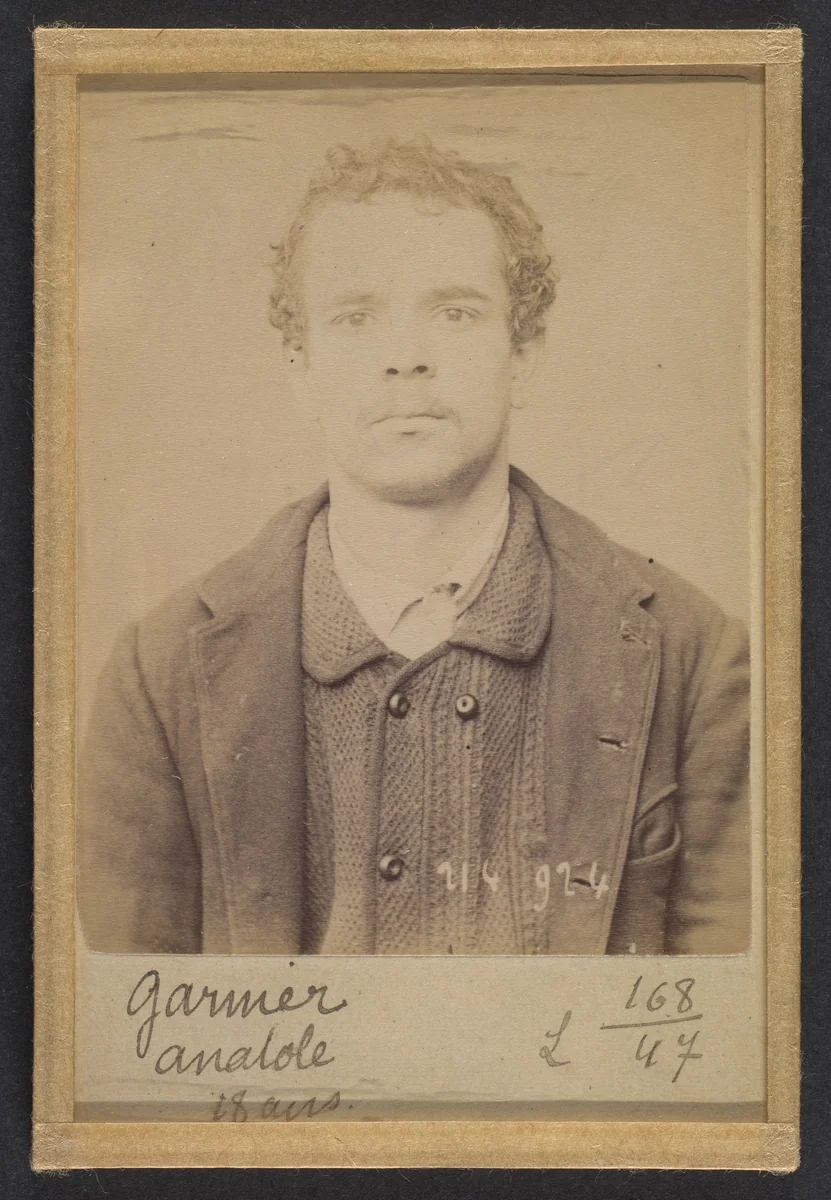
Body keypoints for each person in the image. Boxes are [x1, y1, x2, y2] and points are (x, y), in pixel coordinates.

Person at [78, 137, 750, 957]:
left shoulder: (692, 655)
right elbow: (134, 1020)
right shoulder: (158, 675)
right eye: (355, 318)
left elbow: (730, 1013)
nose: (404, 359)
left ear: (523, 355)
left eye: (454, 313)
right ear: (299, 367)